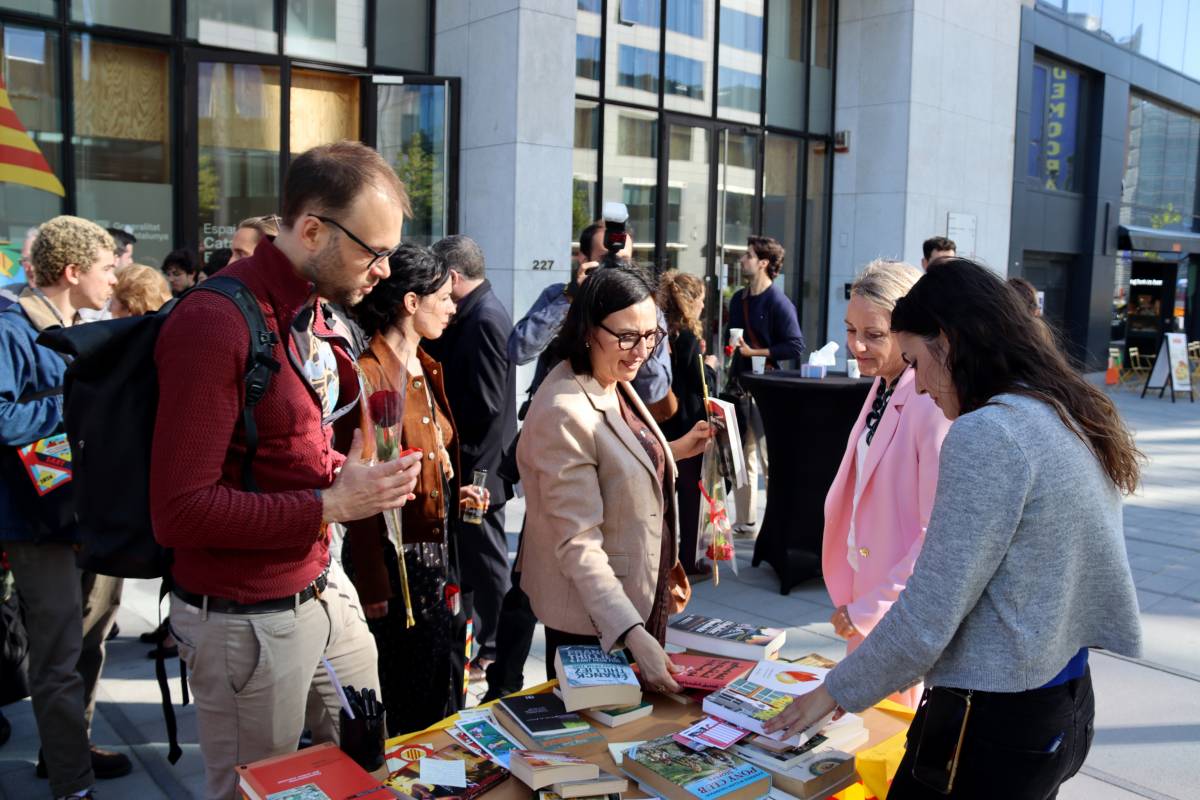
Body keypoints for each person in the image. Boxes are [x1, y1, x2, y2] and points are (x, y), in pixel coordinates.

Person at [766, 258, 1143, 800]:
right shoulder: (1057, 408)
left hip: (991, 720)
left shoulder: (988, 435)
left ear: (948, 343)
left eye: (915, 362)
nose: (916, 387)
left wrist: (831, 694)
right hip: (1061, 701)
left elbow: (929, 614)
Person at [150, 141, 422, 800]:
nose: (386, 271)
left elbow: (280, 448)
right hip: (243, 616)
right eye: (374, 251)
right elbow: (178, 510)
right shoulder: (216, 321)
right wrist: (331, 505)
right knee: (255, 790)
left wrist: (347, 473)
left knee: (366, 767)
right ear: (310, 230)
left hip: (321, 586)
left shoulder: (313, 309)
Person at [517, 264, 709, 690]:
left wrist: (671, 452)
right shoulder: (565, 409)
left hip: (632, 603)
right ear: (588, 329)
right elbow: (577, 541)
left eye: (650, 336)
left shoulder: (610, 376)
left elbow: (614, 467)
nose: (641, 350)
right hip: (595, 621)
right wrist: (632, 635)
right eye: (627, 336)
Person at [1, 215, 128, 800]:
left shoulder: (85, 326)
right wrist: (74, 411)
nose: (115, 278)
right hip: (38, 521)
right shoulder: (9, 329)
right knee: (55, 656)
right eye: (107, 268)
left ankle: (70, 749)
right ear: (73, 272)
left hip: (87, 514)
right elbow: (3, 418)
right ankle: (71, 783)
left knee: (90, 641)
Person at [340, 242, 480, 735]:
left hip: (434, 553)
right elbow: (358, 489)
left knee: (444, 681)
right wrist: (374, 584)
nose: (453, 305)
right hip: (396, 564)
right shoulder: (372, 373)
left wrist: (452, 490)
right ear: (412, 302)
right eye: (444, 296)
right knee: (407, 697)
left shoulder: (426, 364)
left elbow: (424, 458)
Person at [823, 259, 950, 709]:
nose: (855, 345)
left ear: (910, 331)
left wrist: (869, 609)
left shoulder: (929, 399)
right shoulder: (886, 384)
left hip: (897, 617)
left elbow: (937, 534)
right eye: (850, 329)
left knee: (888, 743)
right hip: (870, 600)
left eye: (874, 335)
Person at [423, 235, 516, 682]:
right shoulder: (478, 312)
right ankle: (487, 641)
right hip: (476, 461)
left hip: (479, 466)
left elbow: (485, 404)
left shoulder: (483, 318)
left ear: (453, 276)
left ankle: (497, 646)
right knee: (477, 559)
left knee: (488, 559)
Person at [725, 235, 805, 539]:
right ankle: (745, 520)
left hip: (769, 388)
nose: (742, 259)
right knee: (741, 454)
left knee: (768, 455)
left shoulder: (778, 302)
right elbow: (735, 342)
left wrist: (754, 353)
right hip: (739, 386)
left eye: (748, 255)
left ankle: (777, 520)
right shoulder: (738, 300)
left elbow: (795, 346)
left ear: (763, 263)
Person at [658, 271, 717, 575]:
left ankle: (664, 555)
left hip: (665, 424)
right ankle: (689, 559)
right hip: (689, 425)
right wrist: (709, 366)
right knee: (691, 499)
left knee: (667, 496)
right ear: (691, 301)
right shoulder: (689, 337)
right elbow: (699, 382)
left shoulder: (663, 330)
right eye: (703, 300)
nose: (704, 306)